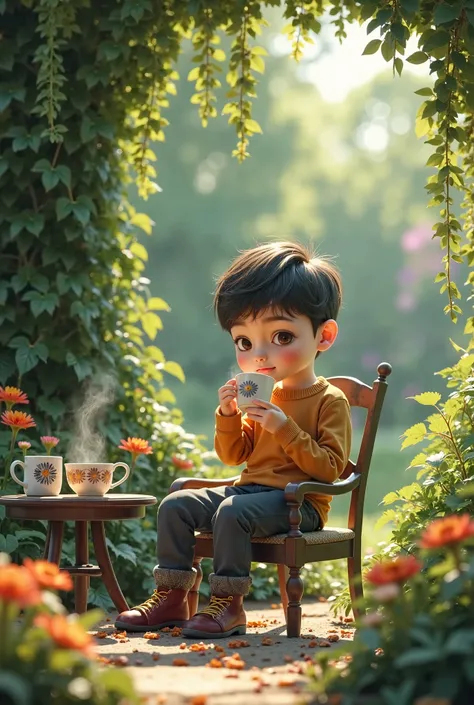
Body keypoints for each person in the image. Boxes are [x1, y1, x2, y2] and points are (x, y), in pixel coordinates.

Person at [115, 240, 352, 638]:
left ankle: (228, 604)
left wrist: (284, 428)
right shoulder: (262, 396)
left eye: (280, 337)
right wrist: (227, 415)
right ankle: (171, 597)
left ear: (323, 336)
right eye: (244, 342)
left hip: (300, 503)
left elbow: (329, 470)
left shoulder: (329, 400)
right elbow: (233, 455)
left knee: (231, 513)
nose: (259, 354)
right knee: (176, 505)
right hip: (250, 494)